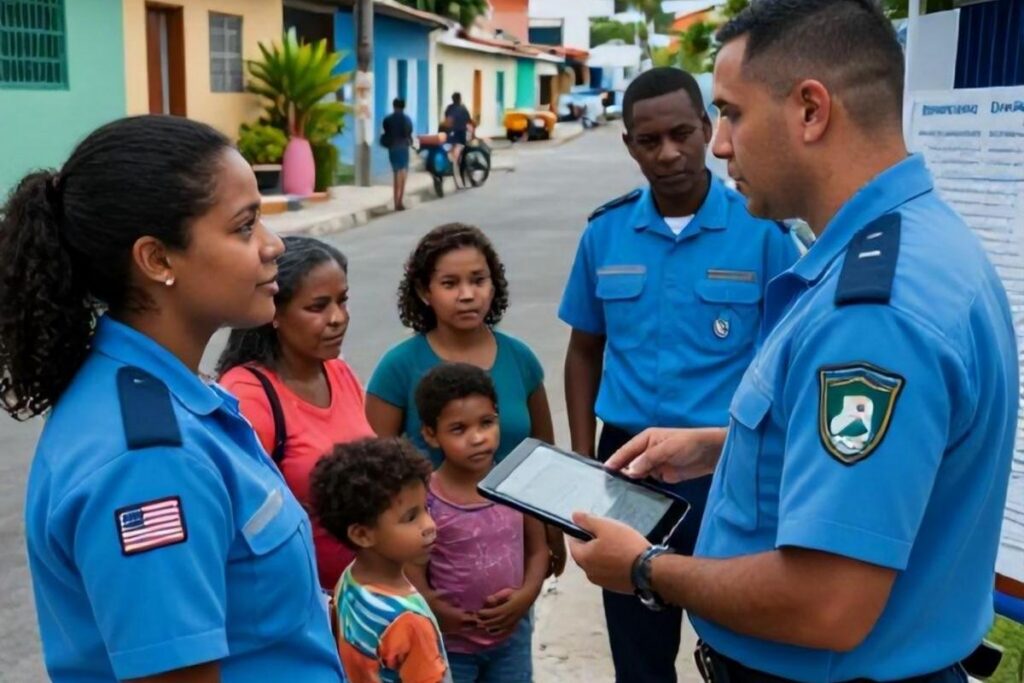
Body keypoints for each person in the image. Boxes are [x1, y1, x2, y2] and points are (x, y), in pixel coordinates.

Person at [569, 2, 1018, 682]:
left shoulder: (873, 314)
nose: (719, 145)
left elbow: (825, 602)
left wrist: (644, 567)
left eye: (733, 113)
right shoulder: (916, 240)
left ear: (810, 110)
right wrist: (719, 444)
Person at [1, 116, 344, 681]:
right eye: (244, 226)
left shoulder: (168, 392)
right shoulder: (151, 462)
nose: (273, 245)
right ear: (157, 260)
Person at [558, 66, 800, 683]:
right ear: (629, 144)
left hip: (727, 463)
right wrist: (583, 463)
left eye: (682, 133)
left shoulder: (763, 231)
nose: (669, 154)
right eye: (649, 140)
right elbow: (585, 349)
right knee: (639, 649)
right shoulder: (605, 234)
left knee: (743, 645)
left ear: (707, 127)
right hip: (626, 472)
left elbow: (790, 360)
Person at [366, 223, 566, 575]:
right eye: (449, 284)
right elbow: (375, 472)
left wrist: (552, 535)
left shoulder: (520, 359)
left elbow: (544, 458)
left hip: (512, 552)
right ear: (424, 291)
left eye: (478, 280)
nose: (467, 294)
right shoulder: (398, 368)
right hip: (428, 557)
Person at [217, 235, 375, 590]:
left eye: (342, 301)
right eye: (318, 307)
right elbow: (237, 521)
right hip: (296, 606)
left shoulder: (338, 371)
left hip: (360, 602)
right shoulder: (249, 395)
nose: (338, 318)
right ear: (275, 312)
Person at [407, 363, 548, 683]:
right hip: (451, 644)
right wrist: (432, 607)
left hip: (511, 637)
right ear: (431, 434)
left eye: (487, 423)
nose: (478, 438)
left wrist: (526, 597)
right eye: (459, 429)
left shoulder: (516, 485)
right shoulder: (426, 497)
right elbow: (411, 564)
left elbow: (538, 552)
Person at [310, 437, 452, 683]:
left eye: (425, 509)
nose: (429, 525)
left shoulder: (349, 581)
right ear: (362, 535)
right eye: (410, 518)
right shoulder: (409, 622)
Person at [382, 98, 414, 211]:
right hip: (403, 147)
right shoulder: (407, 120)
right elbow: (409, 132)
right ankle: (400, 200)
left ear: (394, 106)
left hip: (392, 148)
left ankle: (396, 201)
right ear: (403, 107)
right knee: (403, 172)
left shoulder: (388, 119)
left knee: (396, 173)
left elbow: (385, 131)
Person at [444, 93, 472, 188]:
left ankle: (454, 170)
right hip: (460, 134)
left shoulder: (449, 108)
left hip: (450, 133)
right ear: (460, 99)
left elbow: (447, 119)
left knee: (453, 154)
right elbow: (469, 120)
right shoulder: (463, 108)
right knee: (458, 158)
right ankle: (458, 181)